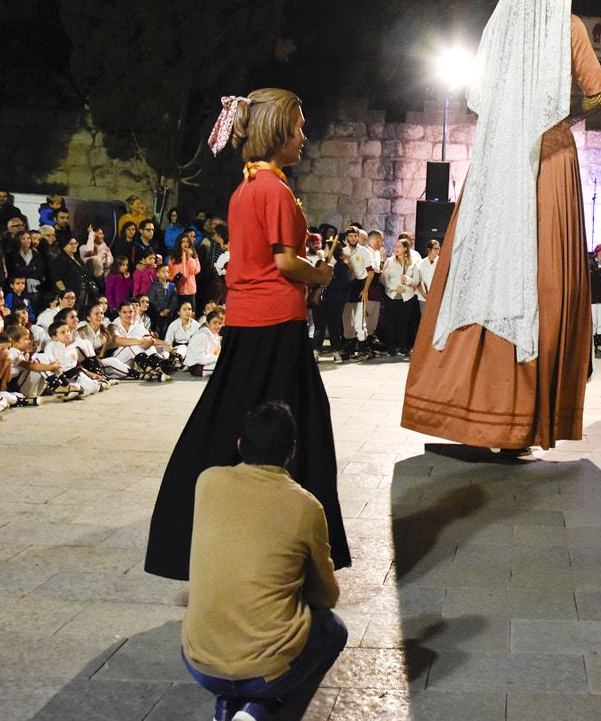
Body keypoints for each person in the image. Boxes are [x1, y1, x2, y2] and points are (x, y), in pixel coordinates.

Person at [402, 0, 601, 450]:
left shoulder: (501, 30)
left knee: (481, 273)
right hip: (551, 160)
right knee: (542, 282)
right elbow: (600, 94)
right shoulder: (568, 28)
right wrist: (559, 117)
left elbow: (481, 100)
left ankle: (470, 411)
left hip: (499, 164)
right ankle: (521, 421)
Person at [146, 87, 349, 580]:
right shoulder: (274, 190)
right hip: (276, 322)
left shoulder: (247, 188)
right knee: (300, 424)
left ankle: (190, 537)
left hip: (249, 318)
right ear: (278, 133)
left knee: (229, 420)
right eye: (299, 128)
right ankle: (301, 549)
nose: (303, 137)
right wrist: (320, 275)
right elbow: (283, 261)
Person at [181, 402, 345, 721]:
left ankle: (227, 704)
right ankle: (262, 708)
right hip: (266, 670)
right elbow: (327, 596)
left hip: (199, 662)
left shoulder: (207, 482)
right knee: (332, 630)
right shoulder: (305, 506)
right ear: (292, 451)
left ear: (240, 445)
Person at [380, 236, 423, 355]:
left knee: (404, 322)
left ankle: (403, 346)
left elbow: (416, 281)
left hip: (407, 296)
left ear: (405, 248)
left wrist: (407, 280)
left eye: (399, 246)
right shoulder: (390, 261)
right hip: (392, 295)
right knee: (391, 322)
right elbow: (384, 279)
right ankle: (391, 348)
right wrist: (394, 288)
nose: (396, 248)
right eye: (395, 246)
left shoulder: (412, 263)